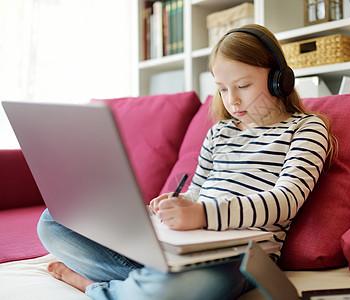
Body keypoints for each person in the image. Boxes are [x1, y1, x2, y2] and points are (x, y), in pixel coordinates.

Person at [37, 24, 334, 300]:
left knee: (179, 287)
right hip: (188, 242)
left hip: (243, 255)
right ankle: (144, 282)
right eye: (222, 88)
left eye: (242, 85)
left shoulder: (305, 128)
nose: (232, 100)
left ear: (279, 79)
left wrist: (202, 215)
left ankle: (101, 289)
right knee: (55, 219)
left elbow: (286, 201)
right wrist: (178, 203)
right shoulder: (221, 131)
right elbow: (198, 190)